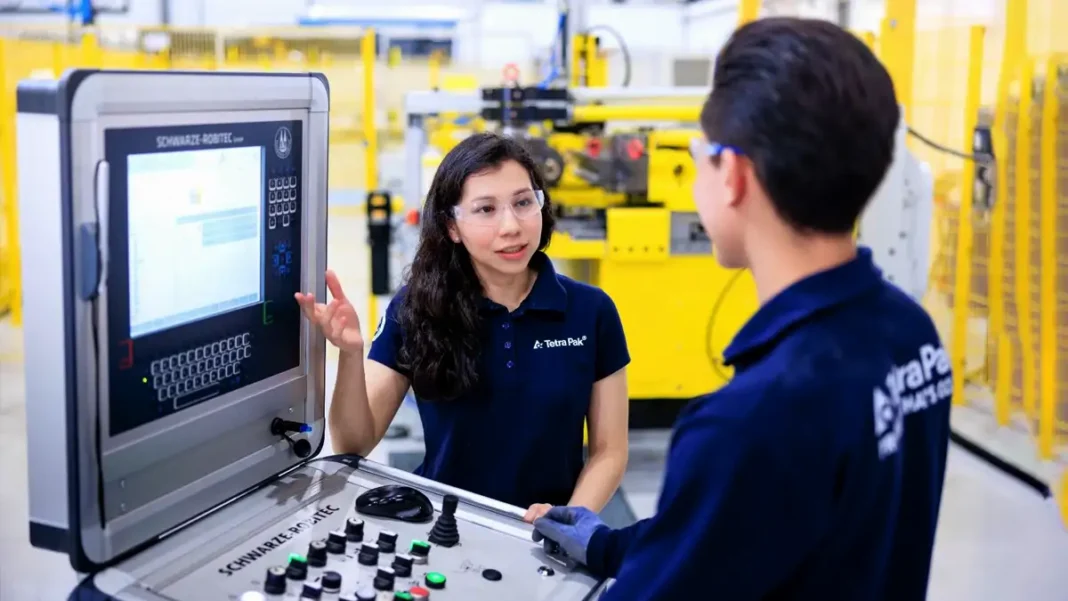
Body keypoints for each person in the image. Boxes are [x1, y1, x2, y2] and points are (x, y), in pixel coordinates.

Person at [531, 17, 953, 600]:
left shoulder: (748, 420)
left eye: (700, 155)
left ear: (731, 174)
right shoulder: (911, 333)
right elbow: (762, 524)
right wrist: (608, 546)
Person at [296, 132, 631, 523]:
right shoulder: (417, 308)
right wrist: (349, 354)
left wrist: (571, 519)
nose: (512, 226)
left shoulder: (591, 311)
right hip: (445, 529)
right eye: (486, 210)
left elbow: (610, 450)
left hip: (551, 533)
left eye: (523, 203)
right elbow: (354, 442)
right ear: (452, 226)